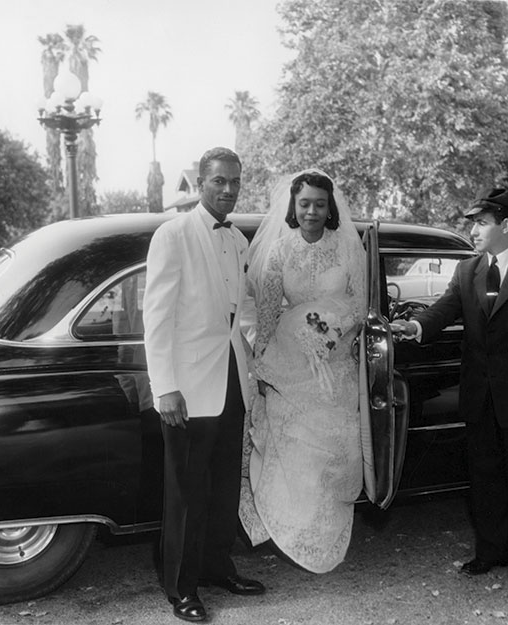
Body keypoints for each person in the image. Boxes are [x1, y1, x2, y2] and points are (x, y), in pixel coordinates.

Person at [391, 188, 508, 581]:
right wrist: (416, 325)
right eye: (472, 224)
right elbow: (443, 310)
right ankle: (489, 552)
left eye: (481, 223)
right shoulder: (467, 271)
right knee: (483, 480)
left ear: (506, 226)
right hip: (479, 398)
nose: (473, 231)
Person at [143, 147, 265, 623]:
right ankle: (181, 588)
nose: (229, 190)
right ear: (200, 182)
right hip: (187, 387)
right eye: (219, 181)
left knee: (221, 490)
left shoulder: (238, 239)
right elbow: (156, 319)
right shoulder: (172, 235)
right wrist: (165, 386)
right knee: (186, 493)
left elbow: (243, 314)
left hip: (231, 379)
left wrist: (255, 358)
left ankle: (218, 567)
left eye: (235, 181)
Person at [239, 169, 366, 573]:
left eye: (320, 204)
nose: (312, 211)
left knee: (332, 452)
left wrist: (331, 331)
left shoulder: (348, 249)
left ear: (331, 209)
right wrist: (261, 368)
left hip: (336, 365)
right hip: (289, 367)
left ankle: (323, 533)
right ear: (293, 207)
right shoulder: (279, 251)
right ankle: (291, 530)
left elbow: (359, 305)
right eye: (304, 203)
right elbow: (269, 311)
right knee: (294, 449)